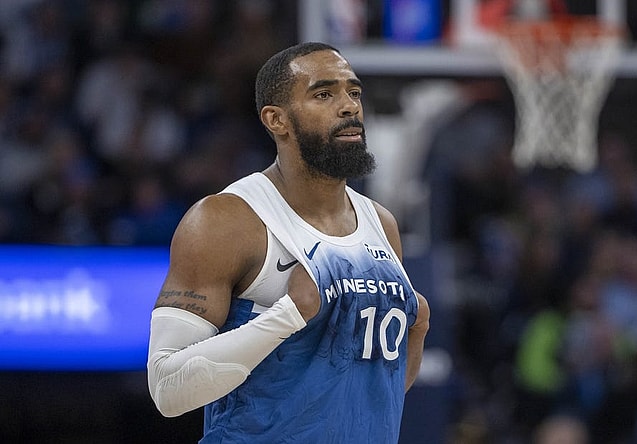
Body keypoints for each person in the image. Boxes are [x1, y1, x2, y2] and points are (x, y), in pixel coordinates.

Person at [146, 41, 430, 443]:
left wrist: (417, 332)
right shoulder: (226, 220)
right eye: (324, 94)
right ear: (276, 120)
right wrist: (287, 316)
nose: (349, 106)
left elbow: (371, 391)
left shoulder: (381, 224)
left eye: (354, 92)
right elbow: (167, 388)